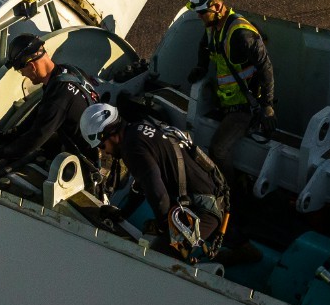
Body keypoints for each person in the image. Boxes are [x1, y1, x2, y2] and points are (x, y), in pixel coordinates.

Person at [80, 103, 229, 263]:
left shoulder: (132, 148)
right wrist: (122, 213)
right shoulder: (138, 129)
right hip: (208, 196)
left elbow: (158, 195)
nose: (104, 152)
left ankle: (223, 259)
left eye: (102, 145)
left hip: (203, 211)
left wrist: (162, 227)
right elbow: (143, 186)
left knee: (158, 261)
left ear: (111, 134)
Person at [0, 33, 99, 181]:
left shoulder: (59, 96)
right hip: (90, 142)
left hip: (84, 165)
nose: (24, 75)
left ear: (31, 66)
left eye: (21, 71)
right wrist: (14, 134)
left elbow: (37, 137)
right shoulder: (68, 71)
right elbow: (42, 110)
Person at [185, 0, 275, 187]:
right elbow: (204, 46)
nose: (198, 16)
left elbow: (265, 67)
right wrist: (201, 67)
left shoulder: (241, 34)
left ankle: (229, 194)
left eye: (201, 12)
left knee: (218, 149)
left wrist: (267, 106)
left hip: (244, 108)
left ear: (217, 6)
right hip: (226, 104)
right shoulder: (213, 27)